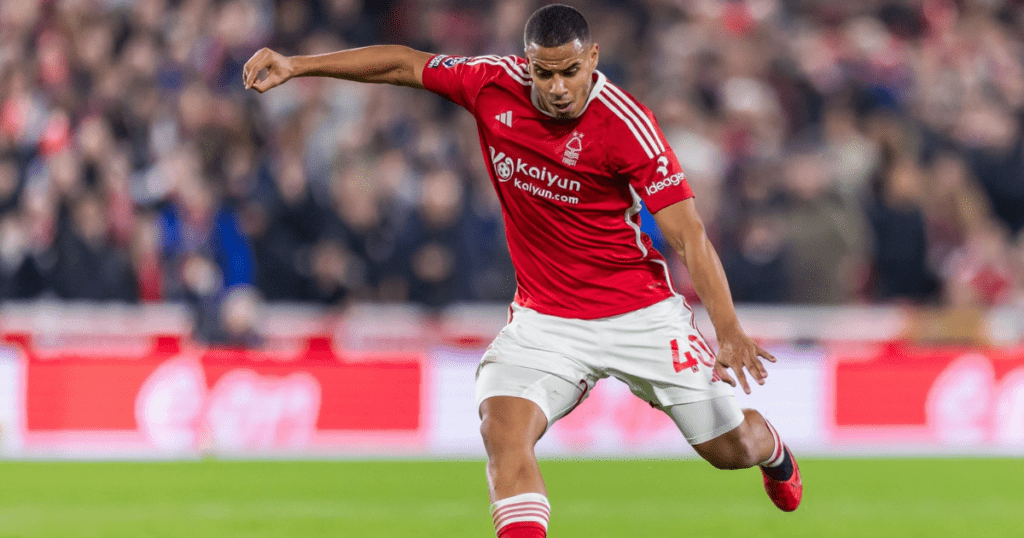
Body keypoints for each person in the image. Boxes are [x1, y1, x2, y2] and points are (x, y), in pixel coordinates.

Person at [244, 5, 802, 537]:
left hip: (640, 314)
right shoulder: (490, 83)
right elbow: (405, 63)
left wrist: (727, 328)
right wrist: (299, 65)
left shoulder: (629, 125)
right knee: (503, 433)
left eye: (570, 72)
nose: (557, 87)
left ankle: (772, 452)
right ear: (526, 62)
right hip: (545, 320)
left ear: (594, 59)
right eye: (544, 73)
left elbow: (688, 235)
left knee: (730, 451)